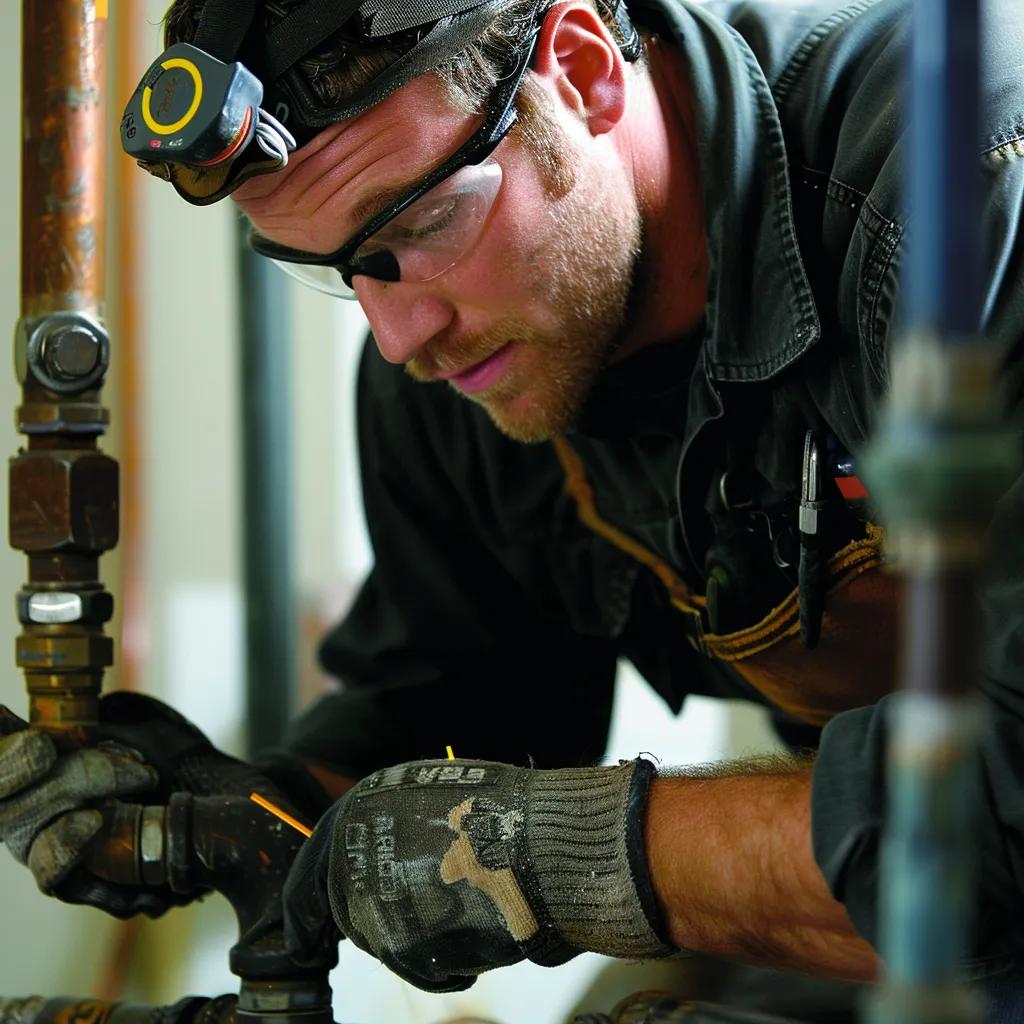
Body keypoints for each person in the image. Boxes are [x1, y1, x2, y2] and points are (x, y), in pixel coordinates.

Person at [2, 0, 1024, 1008]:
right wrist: (242, 811)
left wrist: (557, 854)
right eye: (341, 271)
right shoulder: (468, 369)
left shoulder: (963, 204)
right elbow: (476, 701)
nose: (399, 336)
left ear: (581, 69)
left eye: (423, 223)